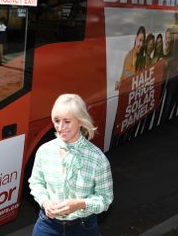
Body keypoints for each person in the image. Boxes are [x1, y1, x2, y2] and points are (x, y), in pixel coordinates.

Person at [28, 94, 114, 236]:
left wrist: (80, 204)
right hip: (47, 225)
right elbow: (36, 183)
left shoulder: (97, 158)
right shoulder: (44, 151)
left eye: (67, 121)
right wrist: (45, 202)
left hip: (83, 228)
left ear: (80, 121)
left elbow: (105, 199)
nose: (60, 127)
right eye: (56, 120)